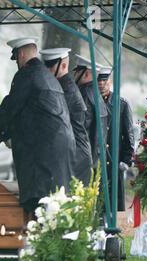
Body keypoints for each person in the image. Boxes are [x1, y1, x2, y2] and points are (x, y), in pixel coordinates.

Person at [0, 37, 75, 217]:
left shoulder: (27, 74)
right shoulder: (48, 77)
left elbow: (10, 108)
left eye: (16, 57)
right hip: (59, 150)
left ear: (22, 54)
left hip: (42, 153)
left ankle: (39, 242)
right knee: (55, 202)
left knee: (39, 203)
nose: (17, 62)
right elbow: (26, 113)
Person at [40, 48, 92, 185]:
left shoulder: (66, 89)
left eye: (50, 66)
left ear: (63, 66)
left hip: (76, 157)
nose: (46, 70)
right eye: (45, 65)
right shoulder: (61, 85)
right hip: (73, 154)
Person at [97, 66, 134, 211]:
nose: (101, 84)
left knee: (112, 202)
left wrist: (126, 159)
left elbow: (129, 133)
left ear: (110, 82)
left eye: (104, 80)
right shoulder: (90, 101)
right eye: (99, 81)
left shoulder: (121, 104)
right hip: (96, 158)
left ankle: (108, 230)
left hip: (114, 159)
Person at [73, 54, 108, 169]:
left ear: (86, 73)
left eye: (77, 72)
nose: (74, 75)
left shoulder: (84, 93)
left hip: (81, 156)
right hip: (93, 157)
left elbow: (79, 126)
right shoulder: (96, 94)